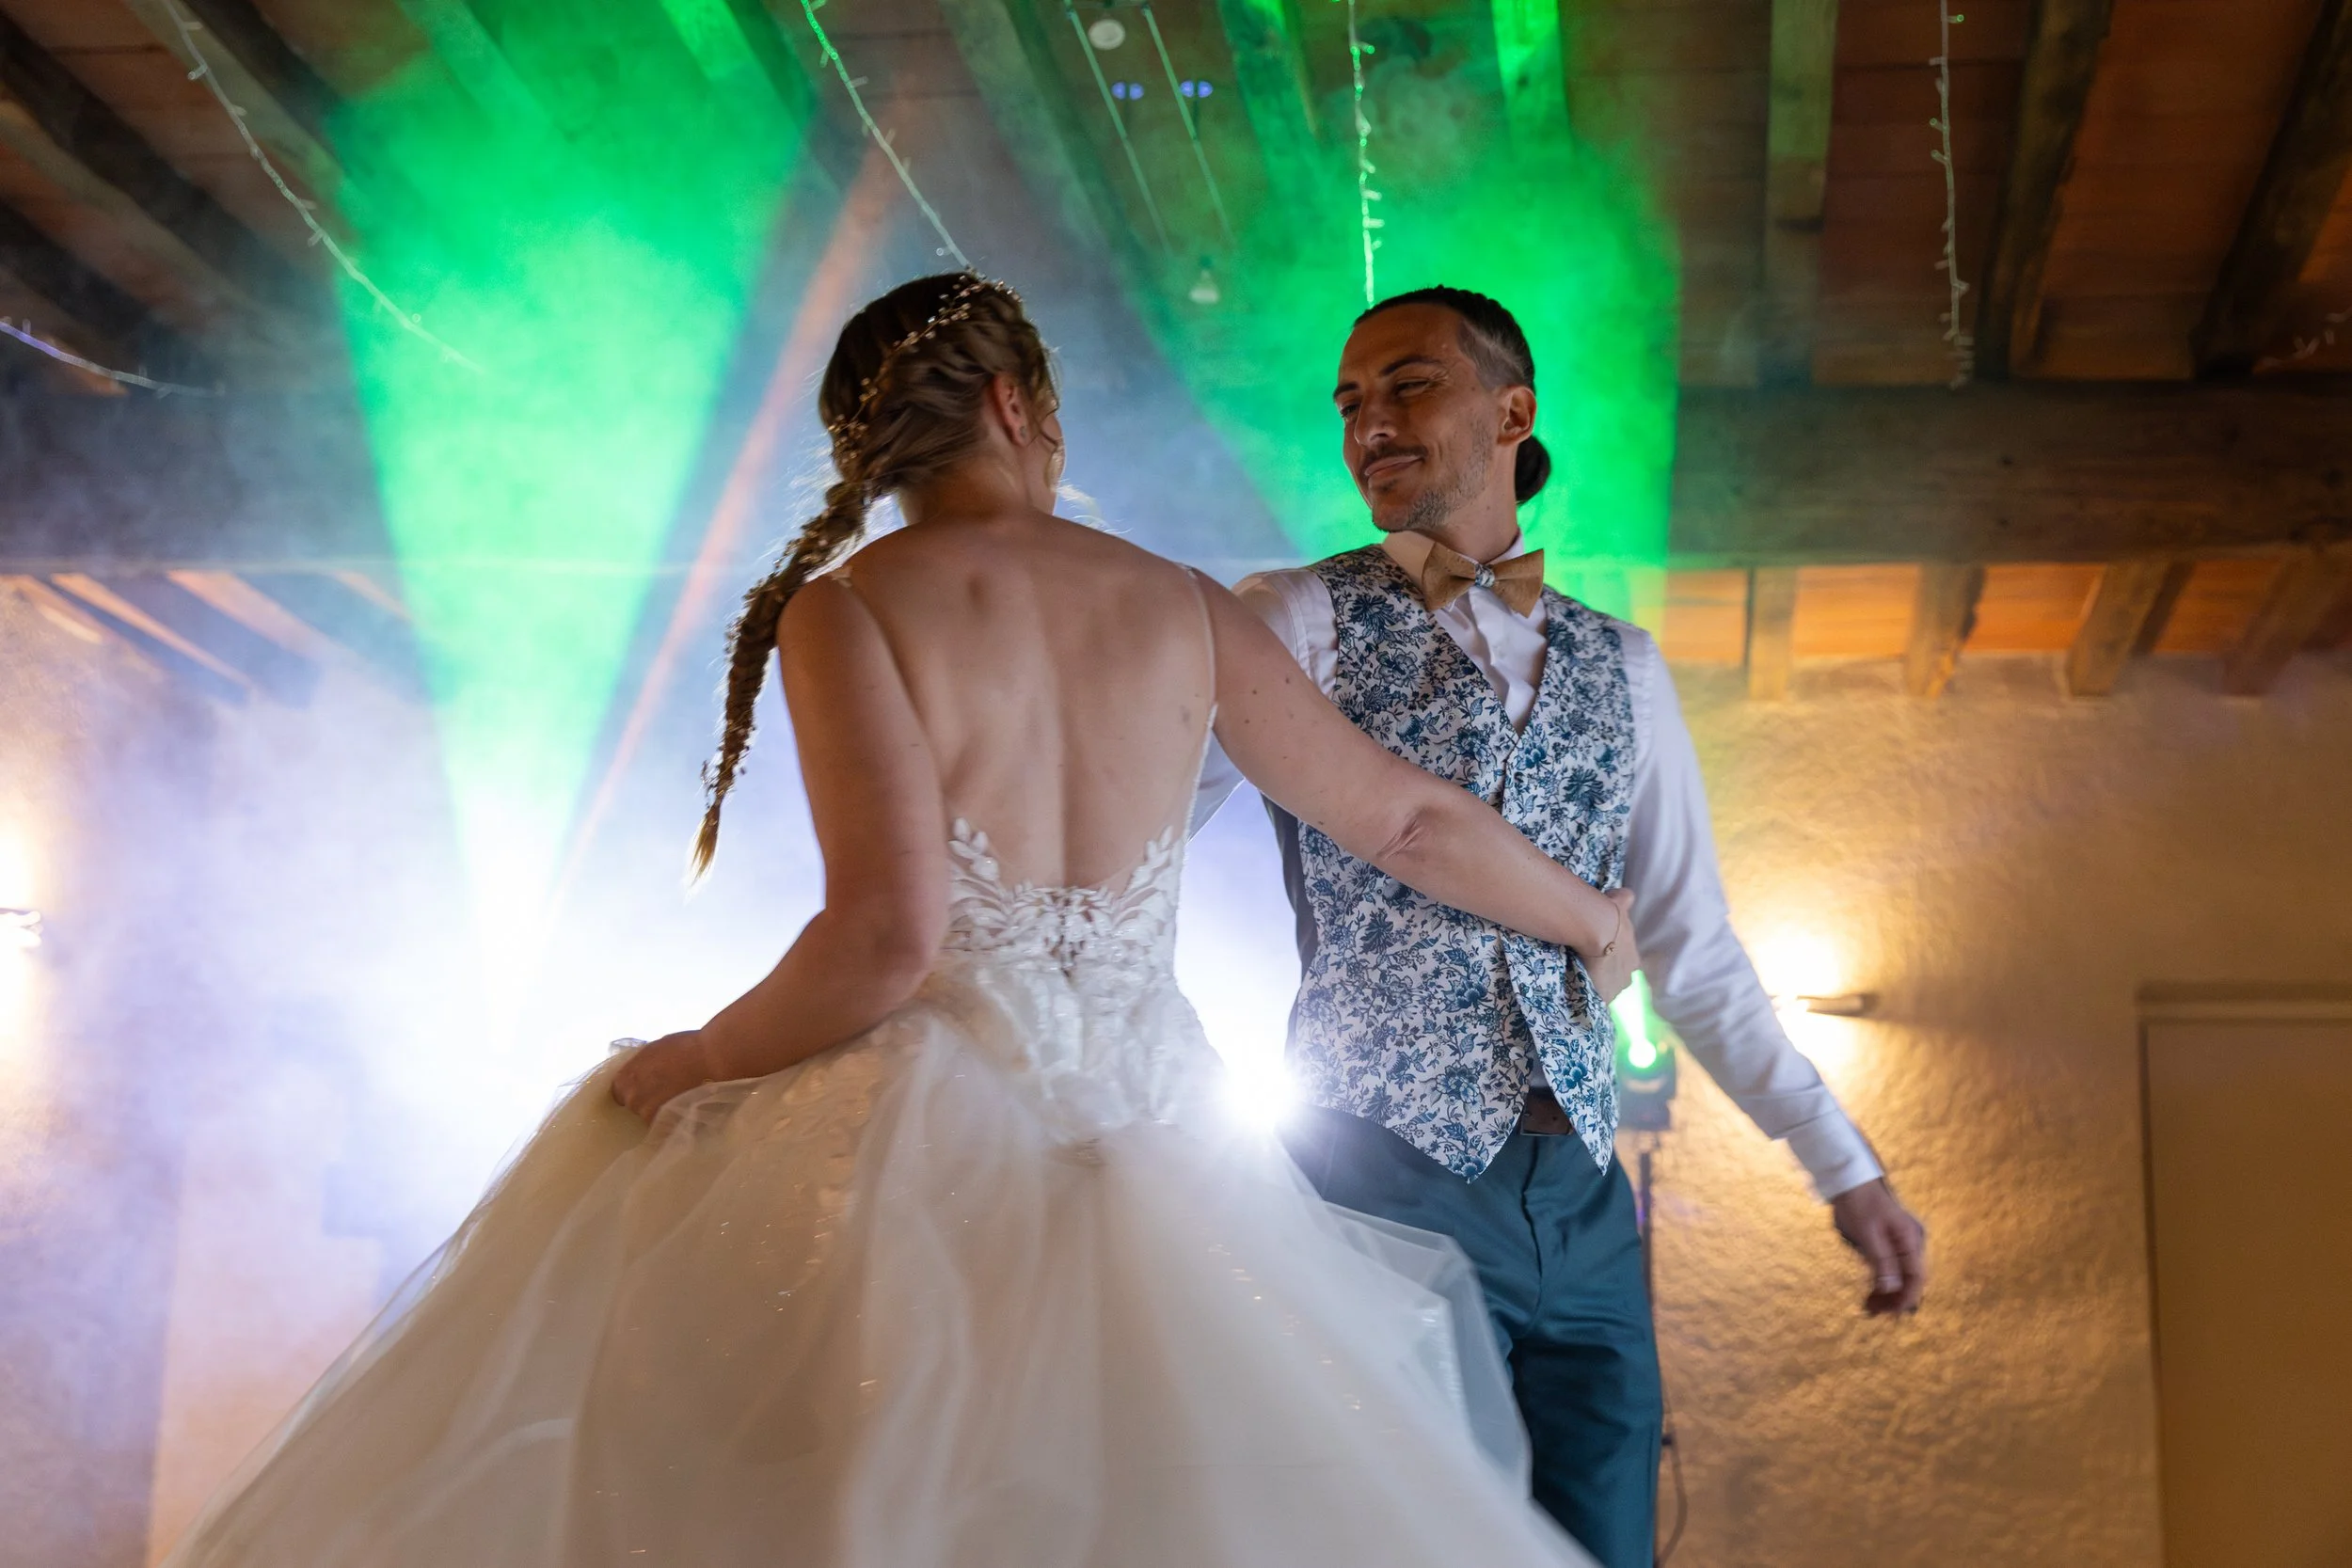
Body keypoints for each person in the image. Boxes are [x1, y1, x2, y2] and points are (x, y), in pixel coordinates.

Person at [157, 273, 1649, 1568]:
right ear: (1017, 402)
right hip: (1171, 1146)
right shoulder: (1187, 603)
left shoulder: (851, 606)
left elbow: (883, 940)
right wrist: (1587, 911)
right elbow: (1405, 818)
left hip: (937, 1157)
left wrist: (696, 1057)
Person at [1190, 286, 1930, 1568]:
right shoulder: (1292, 616)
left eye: (1407, 385)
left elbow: (1691, 941)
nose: (1369, 422)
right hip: (1379, 1173)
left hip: (1585, 1199)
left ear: (1512, 409)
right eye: (1350, 403)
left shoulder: (1625, 662)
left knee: (1606, 1547)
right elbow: (1142, 815)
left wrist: (1842, 1160)